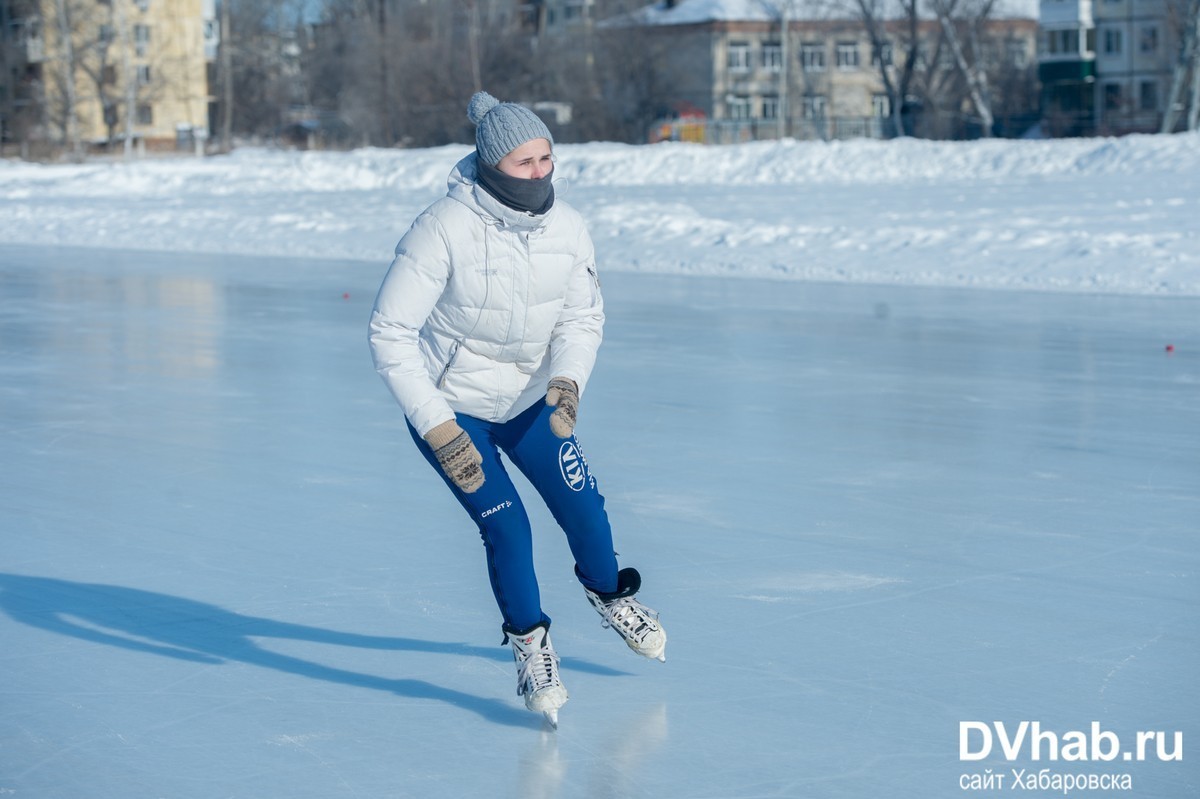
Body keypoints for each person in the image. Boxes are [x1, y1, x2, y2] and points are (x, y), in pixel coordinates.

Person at [368, 92, 667, 727]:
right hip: (453, 410)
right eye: (524, 161)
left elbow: (583, 316)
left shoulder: (570, 227)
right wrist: (438, 426)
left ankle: (610, 592)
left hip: (532, 401)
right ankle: (531, 644)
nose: (540, 172)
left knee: (584, 507)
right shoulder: (442, 227)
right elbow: (390, 334)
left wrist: (567, 383)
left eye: (546, 157)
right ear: (491, 164)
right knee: (509, 528)